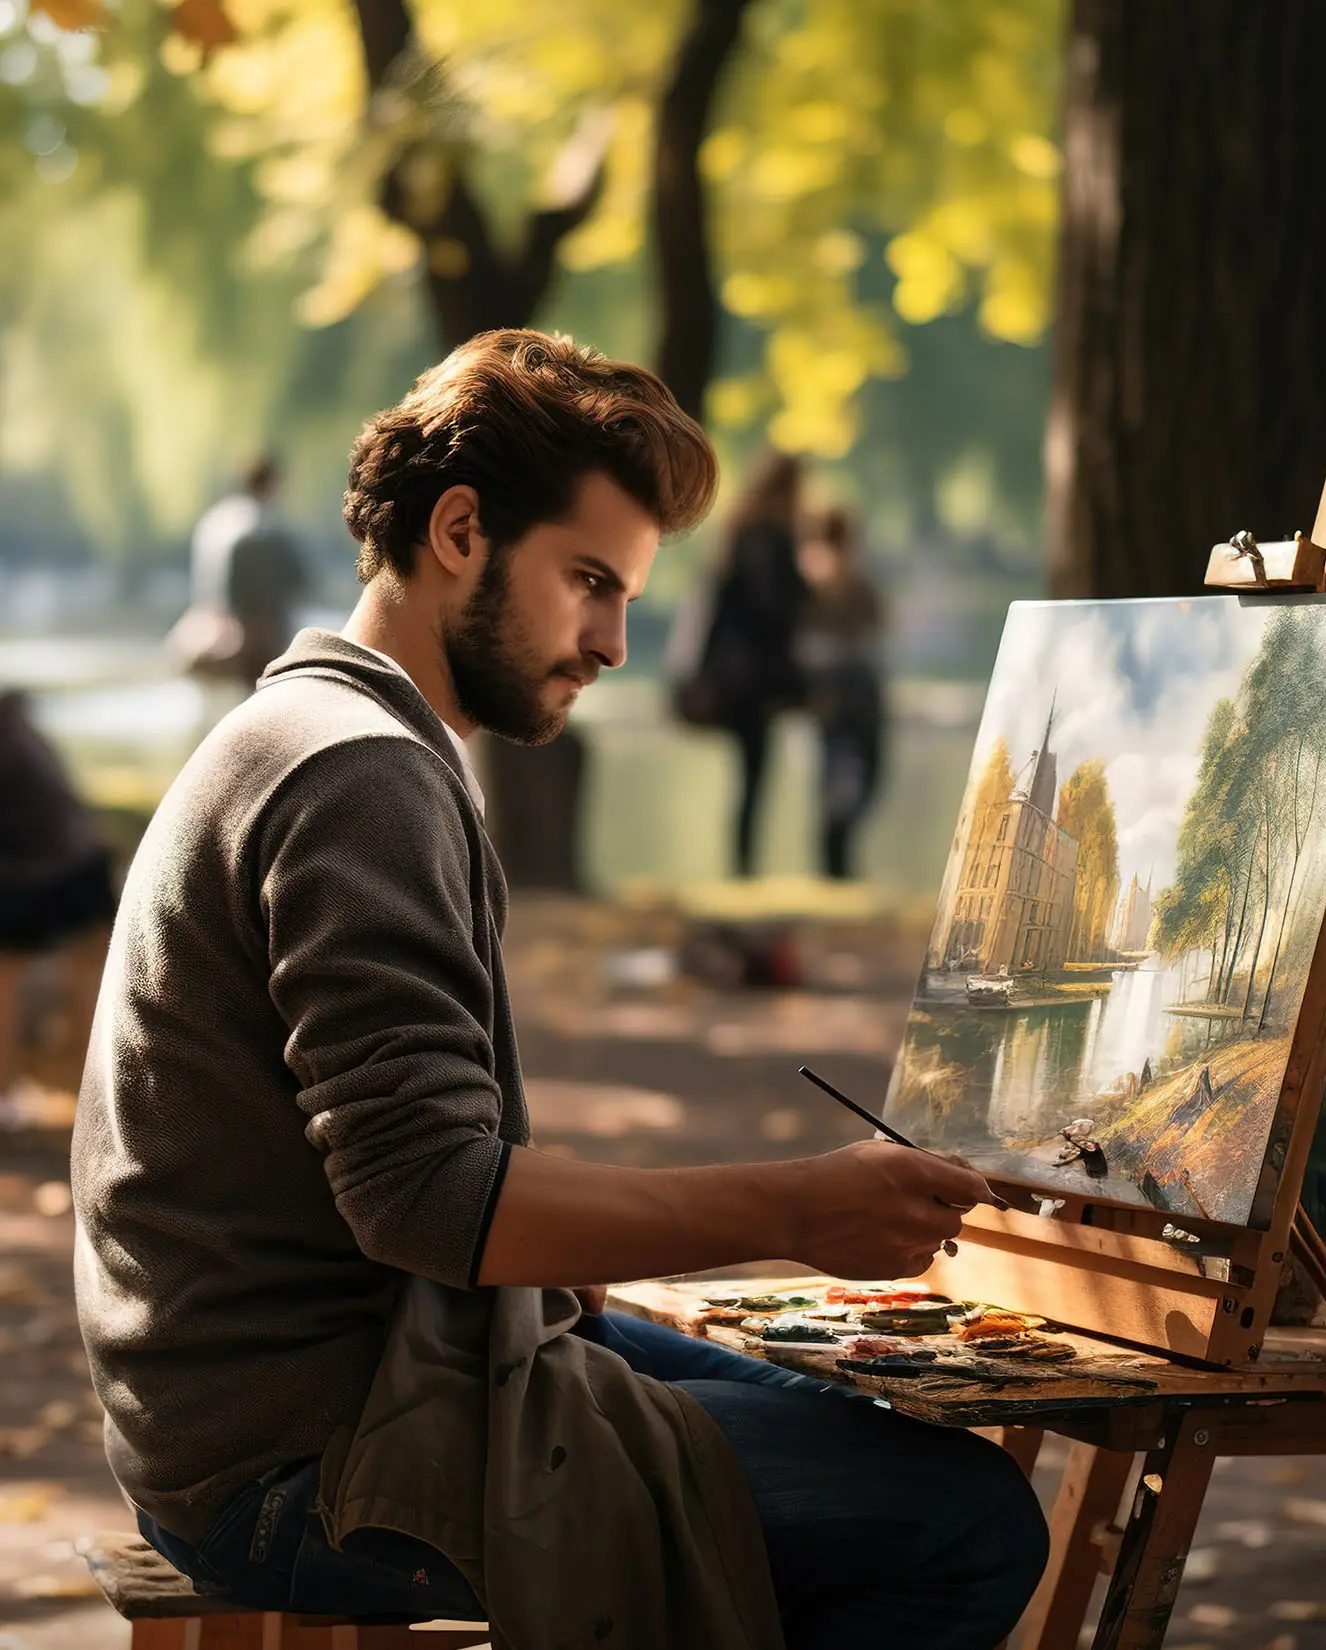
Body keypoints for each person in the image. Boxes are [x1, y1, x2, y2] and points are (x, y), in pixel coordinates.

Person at [71, 331, 1047, 1650]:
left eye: (629, 595)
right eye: (591, 582)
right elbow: (431, 1198)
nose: (615, 644)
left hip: (328, 1383)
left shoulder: (332, 732)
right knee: (964, 1522)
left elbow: (414, 1168)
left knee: (869, 1428)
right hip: (299, 1450)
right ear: (461, 530)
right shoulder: (358, 770)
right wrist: (796, 1204)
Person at [688, 449, 809, 876]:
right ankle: (743, 866)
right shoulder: (767, 538)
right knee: (755, 773)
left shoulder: (740, 533)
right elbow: (771, 609)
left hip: (737, 673)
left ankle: (742, 865)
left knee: (750, 774)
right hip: (753, 679)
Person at [0, 689, 116, 1125]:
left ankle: (97, 1089)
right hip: (71, 863)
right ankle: (100, 1087)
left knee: (8, 975)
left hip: (40, 872)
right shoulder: (15, 722)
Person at [168, 454, 309, 692]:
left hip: (208, 622)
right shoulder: (269, 529)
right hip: (257, 634)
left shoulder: (214, 521)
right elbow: (301, 581)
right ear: (273, 484)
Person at [797, 506, 886, 879]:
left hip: (844, 694)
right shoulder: (826, 583)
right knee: (848, 783)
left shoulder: (836, 581)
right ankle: (836, 871)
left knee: (842, 782)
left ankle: (836, 870)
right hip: (848, 694)